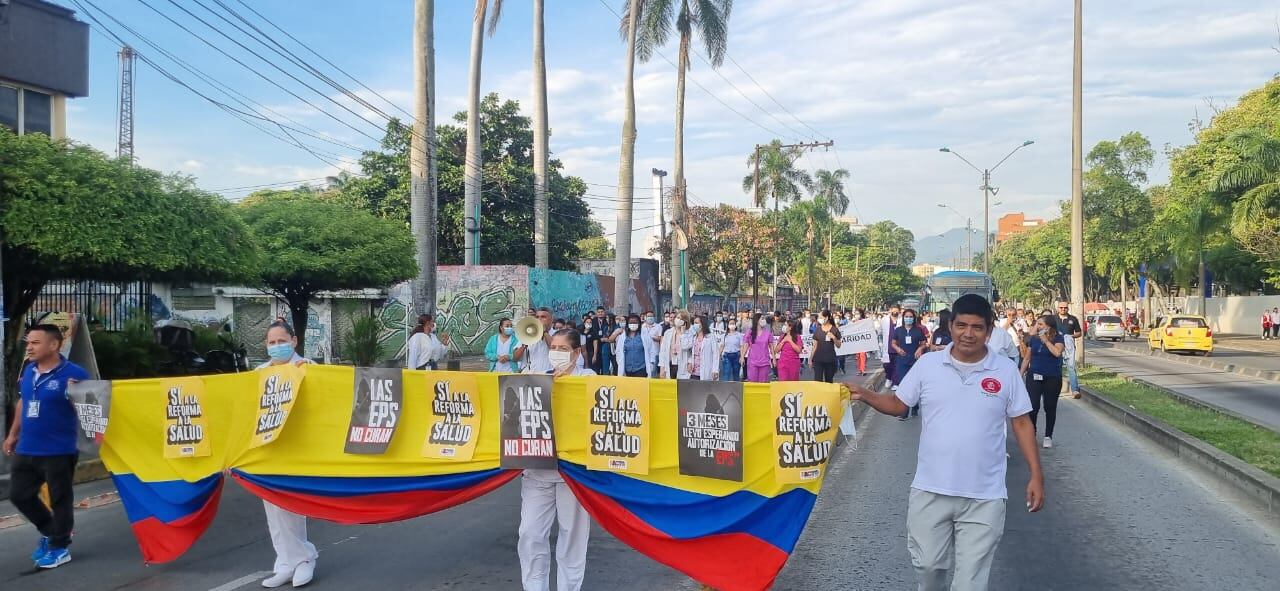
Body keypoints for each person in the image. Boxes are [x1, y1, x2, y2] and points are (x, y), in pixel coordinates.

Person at [844, 294, 1044, 591]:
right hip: (930, 489)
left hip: (985, 495)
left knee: (970, 583)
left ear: (989, 331)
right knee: (928, 567)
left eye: (977, 327)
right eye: (961, 325)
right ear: (950, 326)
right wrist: (865, 394)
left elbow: (1022, 422)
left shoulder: (1004, 371)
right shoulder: (928, 365)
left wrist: (1036, 475)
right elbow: (899, 404)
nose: (968, 333)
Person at [4, 324, 91, 570]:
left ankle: (59, 548)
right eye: (28, 343)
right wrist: (13, 435)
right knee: (19, 495)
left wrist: (77, 394)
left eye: (35, 343)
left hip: (59, 449)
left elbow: (91, 410)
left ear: (54, 345)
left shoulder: (75, 374)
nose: (29, 348)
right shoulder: (29, 370)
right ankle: (51, 531)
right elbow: (24, 402)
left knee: (60, 499)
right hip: (27, 447)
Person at [518, 328, 592, 591]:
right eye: (553, 348)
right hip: (537, 471)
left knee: (572, 538)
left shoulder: (587, 378)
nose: (557, 353)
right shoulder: (538, 378)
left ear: (576, 353)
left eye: (563, 349)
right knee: (530, 533)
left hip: (573, 475)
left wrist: (565, 384)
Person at [255, 323, 319, 587]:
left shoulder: (308, 367)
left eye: (281, 340)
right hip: (267, 447)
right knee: (272, 508)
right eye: (271, 342)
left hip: (297, 447)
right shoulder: (259, 373)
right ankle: (284, 562)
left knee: (291, 505)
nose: (276, 346)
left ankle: (303, 559)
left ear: (293, 340)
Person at [1022, 315, 1065, 449]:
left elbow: (1057, 353)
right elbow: (1027, 358)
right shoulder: (1034, 339)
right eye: (1037, 323)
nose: (1038, 326)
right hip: (1034, 375)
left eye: (1041, 324)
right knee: (1033, 406)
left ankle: (1048, 436)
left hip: (1052, 377)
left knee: (1050, 406)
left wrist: (1046, 341)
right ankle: (1032, 432)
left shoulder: (1058, 338)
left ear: (1049, 326)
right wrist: (1019, 374)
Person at [892, 309, 927, 394]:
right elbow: (893, 343)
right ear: (903, 318)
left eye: (910, 317)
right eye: (906, 317)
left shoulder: (918, 330)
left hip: (914, 360)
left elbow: (924, 343)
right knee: (903, 382)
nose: (908, 318)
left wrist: (920, 348)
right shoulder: (898, 330)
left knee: (914, 384)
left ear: (914, 318)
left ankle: (914, 401)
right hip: (902, 360)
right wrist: (897, 349)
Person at [811, 310, 841, 383]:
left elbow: (839, 345)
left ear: (826, 318)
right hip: (818, 359)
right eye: (819, 317)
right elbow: (814, 346)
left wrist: (834, 338)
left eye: (821, 317)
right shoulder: (818, 329)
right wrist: (811, 358)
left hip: (830, 359)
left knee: (829, 381)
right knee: (818, 381)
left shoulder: (834, 329)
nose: (819, 319)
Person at [615, 314, 648, 378]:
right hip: (627, 369)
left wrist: (651, 364)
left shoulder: (644, 335)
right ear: (627, 324)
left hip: (641, 368)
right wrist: (620, 362)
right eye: (631, 322)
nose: (633, 324)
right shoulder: (623, 337)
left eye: (635, 322)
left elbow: (650, 350)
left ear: (639, 324)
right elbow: (618, 351)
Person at [744, 313, 774, 383]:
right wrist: (742, 356)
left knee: (763, 383)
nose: (764, 320)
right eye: (762, 318)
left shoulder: (768, 333)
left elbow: (771, 346)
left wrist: (774, 358)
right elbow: (745, 345)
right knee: (752, 382)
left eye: (764, 319)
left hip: (764, 362)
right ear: (757, 320)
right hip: (752, 362)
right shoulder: (749, 332)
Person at [525, 308, 556, 374]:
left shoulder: (558, 334)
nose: (539, 319)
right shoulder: (531, 334)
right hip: (532, 374)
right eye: (537, 317)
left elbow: (553, 348)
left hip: (549, 374)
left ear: (551, 319)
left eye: (543, 317)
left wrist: (544, 332)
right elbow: (515, 357)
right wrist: (524, 342)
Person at [881, 305, 902, 379]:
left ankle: (894, 381)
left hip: (898, 347)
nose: (895, 312)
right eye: (893, 310)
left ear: (899, 311)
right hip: (888, 347)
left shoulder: (901, 320)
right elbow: (880, 331)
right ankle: (889, 378)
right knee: (887, 365)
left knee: (897, 366)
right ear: (890, 310)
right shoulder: (884, 320)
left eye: (896, 311)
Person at [720, 317, 744, 382]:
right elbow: (722, 345)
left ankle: (736, 388)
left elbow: (741, 346)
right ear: (728, 325)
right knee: (726, 374)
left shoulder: (739, 335)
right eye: (730, 324)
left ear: (735, 325)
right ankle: (725, 387)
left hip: (736, 355)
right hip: (727, 356)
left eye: (733, 324)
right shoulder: (724, 335)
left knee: (736, 375)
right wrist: (719, 354)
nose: (732, 325)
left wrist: (742, 357)